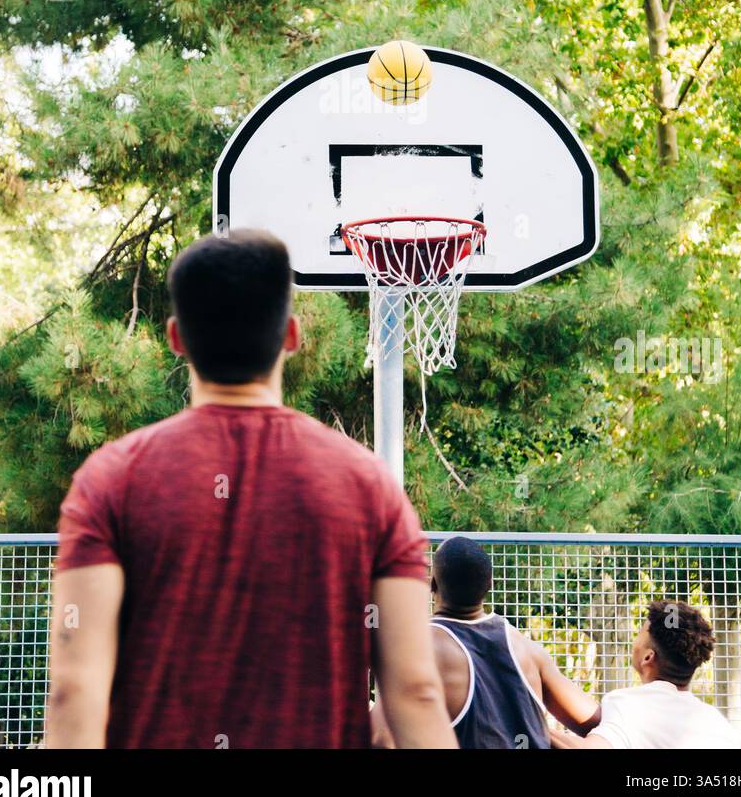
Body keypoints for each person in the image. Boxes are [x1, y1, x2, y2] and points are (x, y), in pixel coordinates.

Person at [46, 230, 456, 750]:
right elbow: (415, 692)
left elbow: (75, 692)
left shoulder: (110, 478)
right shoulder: (368, 484)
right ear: (291, 334)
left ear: (176, 338)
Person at [371, 536, 600, 748]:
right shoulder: (528, 650)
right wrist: (546, 735)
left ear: (432, 585)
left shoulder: (420, 649)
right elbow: (596, 721)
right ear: (489, 585)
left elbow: (380, 739)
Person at [551, 599, 741, 750]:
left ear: (648, 657)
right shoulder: (720, 725)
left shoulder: (630, 705)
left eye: (639, 633)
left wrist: (532, 728)